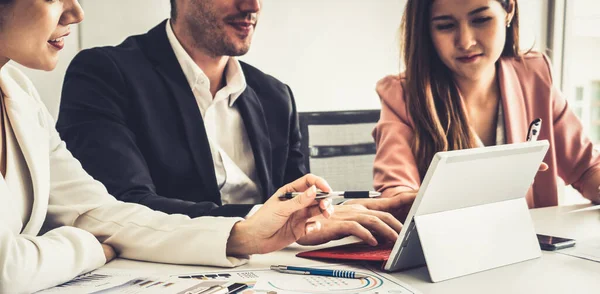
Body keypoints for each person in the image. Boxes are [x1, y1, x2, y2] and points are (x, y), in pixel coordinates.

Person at [0, 1, 341, 292]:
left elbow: (96, 213)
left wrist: (242, 235)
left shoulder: (20, 93)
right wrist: (91, 247)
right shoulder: (109, 71)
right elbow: (7, 269)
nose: (76, 12)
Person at [57, 0, 407, 245]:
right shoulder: (104, 74)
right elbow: (123, 205)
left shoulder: (275, 95)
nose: (253, 6)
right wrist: (267, 220)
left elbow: (295, 197)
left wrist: (336, 209)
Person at [373, 0, 600, 217]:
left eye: (481, 19)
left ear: (508, 9)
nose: (465, 41)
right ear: (426, 30)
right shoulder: (401, 95)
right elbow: (398, 195)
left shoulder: (534, 75)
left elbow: (587, 169)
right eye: (445, 26)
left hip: (536, 248)